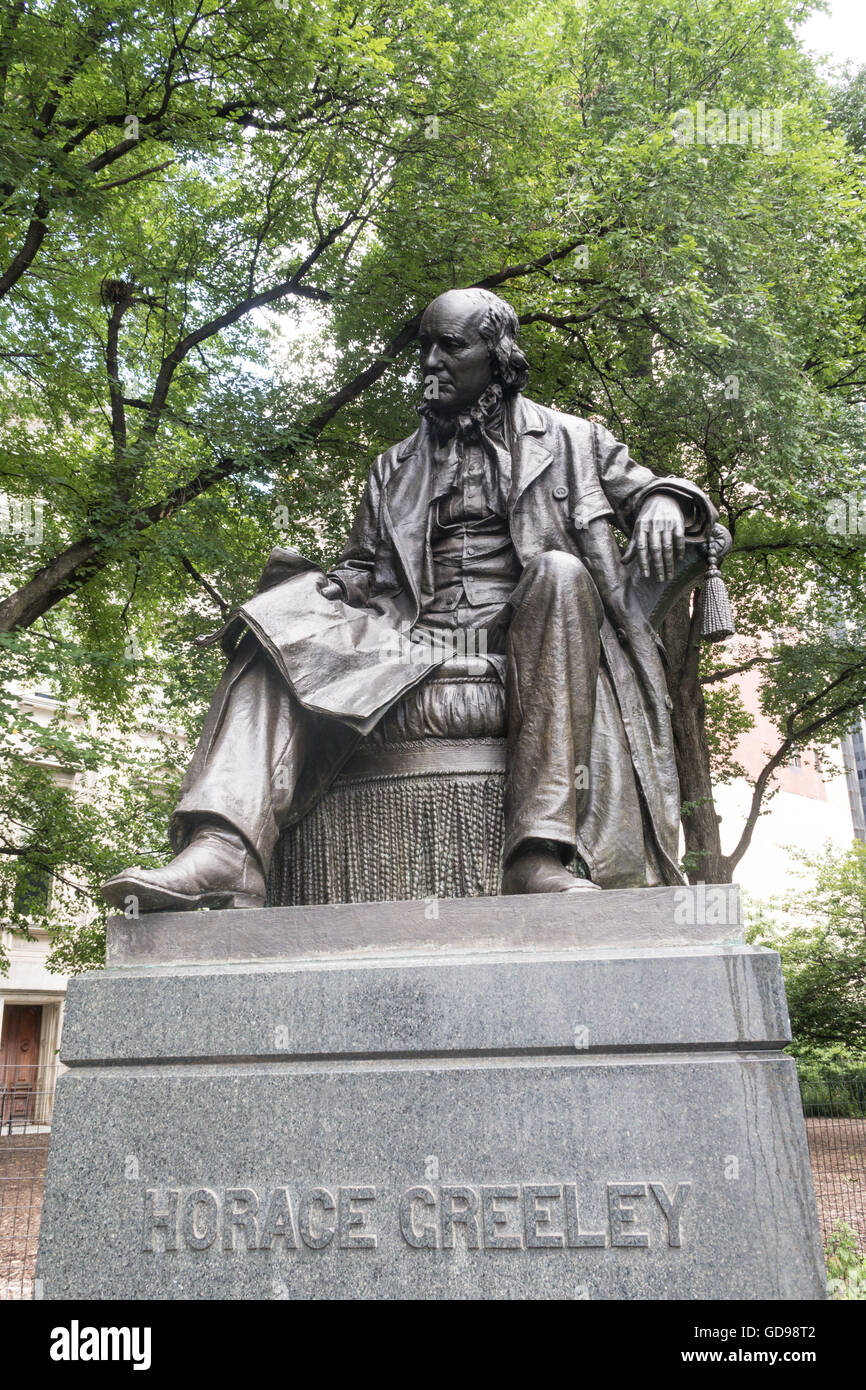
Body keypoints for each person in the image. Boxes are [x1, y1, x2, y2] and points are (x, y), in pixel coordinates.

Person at [102, 288, 716, 913]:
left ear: (497, 357)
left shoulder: (573, 440)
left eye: (451, 347)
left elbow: (666, 504)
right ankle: (226, 847)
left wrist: (667, 499)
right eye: (424, 347)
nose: (431, 363)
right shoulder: (393, 467)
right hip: (410, 635)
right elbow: (365, 569)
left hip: (528, 627)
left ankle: (538, 854)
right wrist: (326, 591)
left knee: (560, 570)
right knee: (276, 623)